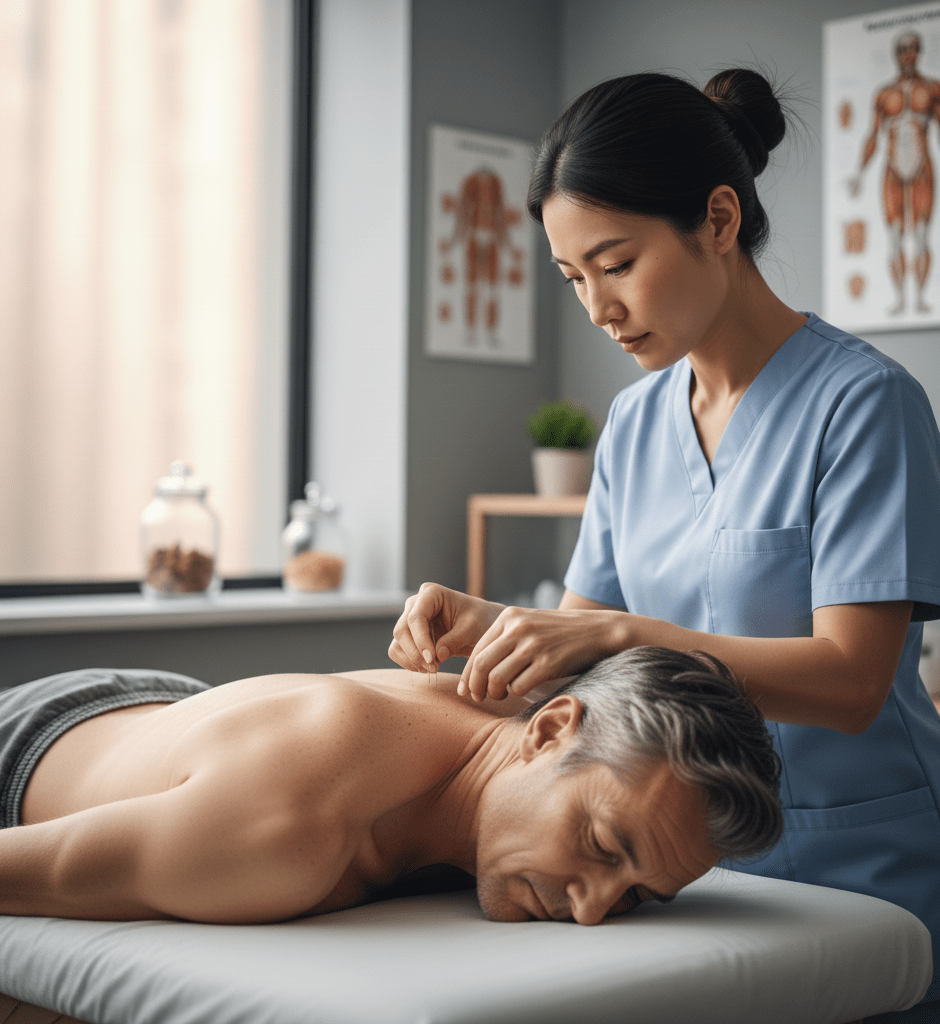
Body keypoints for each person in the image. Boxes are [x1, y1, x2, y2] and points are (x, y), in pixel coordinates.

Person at [391, 68, 940, 1018]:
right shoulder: (636, 422)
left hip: (858, 872)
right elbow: (582, 664)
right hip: (670, 873)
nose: (597, 306)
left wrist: (617, 638)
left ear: (718, 221)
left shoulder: (865, 405)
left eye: (616, 262)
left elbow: (852, 684)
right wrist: (496, 629)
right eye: (573, 278)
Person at [0, 650, 781, 926]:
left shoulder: (521, 731)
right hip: (38, 743)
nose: (592, 910)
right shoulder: (285, 830)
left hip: (190, 713)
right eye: (606, 848)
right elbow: (27, 873)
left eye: (640, 896)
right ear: (547, 732)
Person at [848, 31, 940, 315]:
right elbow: (873, 135)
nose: (907, 55)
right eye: (901, 50)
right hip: (893, 171)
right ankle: (901, 299)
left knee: (923, 234)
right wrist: (859, 173)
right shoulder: (885, 94)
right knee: (895, 237)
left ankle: (921, 298)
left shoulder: (932, 89)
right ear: (895, 55)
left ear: (919, 51)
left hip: (922, 166)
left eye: (912, 49)